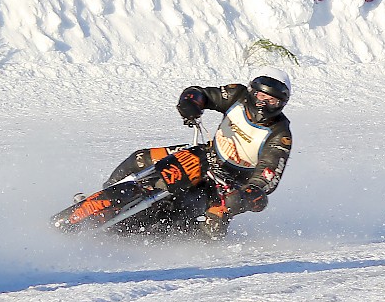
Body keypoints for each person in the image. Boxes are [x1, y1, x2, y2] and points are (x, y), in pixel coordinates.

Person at [103, 68, 293, 239]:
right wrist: (191, 104)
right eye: (261, 96)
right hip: (205, 155)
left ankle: (159, 240)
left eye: (271, 101)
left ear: (281, 104)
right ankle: (105, 194)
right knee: (141, 158)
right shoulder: (237, 95)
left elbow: (267, 177)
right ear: (252, 92)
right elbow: (201, 94)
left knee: (202, 222)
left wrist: (246, 196)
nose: (263, 104)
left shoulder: (280, 134)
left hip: (229, 185)